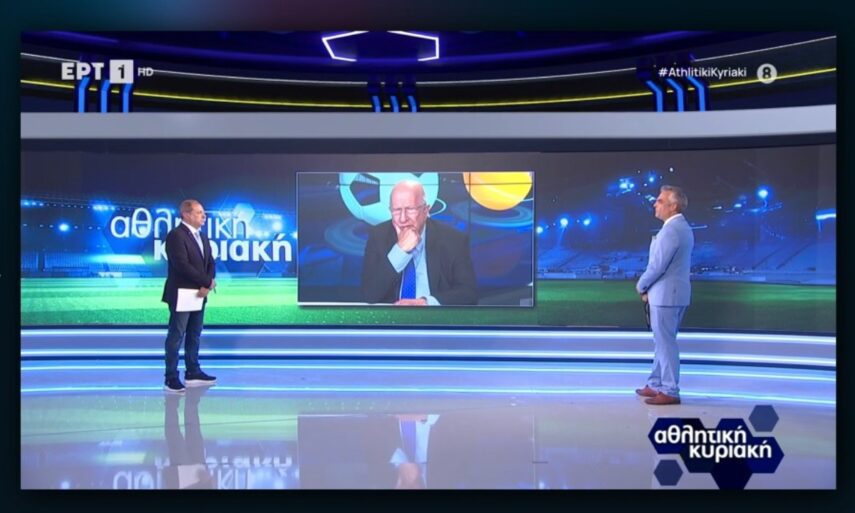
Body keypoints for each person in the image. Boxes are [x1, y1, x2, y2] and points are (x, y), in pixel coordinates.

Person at [361, 180, 477, 306]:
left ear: (426, 210)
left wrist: (425, 303)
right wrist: (400, 251)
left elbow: (468, 294)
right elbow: (370, 295)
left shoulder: (453, 240)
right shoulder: (378, 236)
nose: (403, 219)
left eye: (410, 209)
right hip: (392, 316)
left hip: (433, 316)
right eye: (397, 210)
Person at [635, 185, 694, 405]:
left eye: (660, 201)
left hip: (666, 296)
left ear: (673, 206)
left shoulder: (671, 230)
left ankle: (669, 390)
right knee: (663, 342)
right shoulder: (681, 227)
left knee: (665, 343)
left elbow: (657, 266)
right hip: (673, 294)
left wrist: (641, 286)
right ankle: (656, 383)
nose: (654, 204)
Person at [161, 199, 217, 393]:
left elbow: (210, 262)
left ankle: (193, 372)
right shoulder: (176, 236)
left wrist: (207, 285)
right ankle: (171, 377)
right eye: (199, 212)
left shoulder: (203, 237)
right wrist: (206, 282)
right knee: (176, 335)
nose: (204, 216)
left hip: (200, 294)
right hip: (182, 293)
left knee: (194, 334)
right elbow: (182, 265)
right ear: (186, 214)